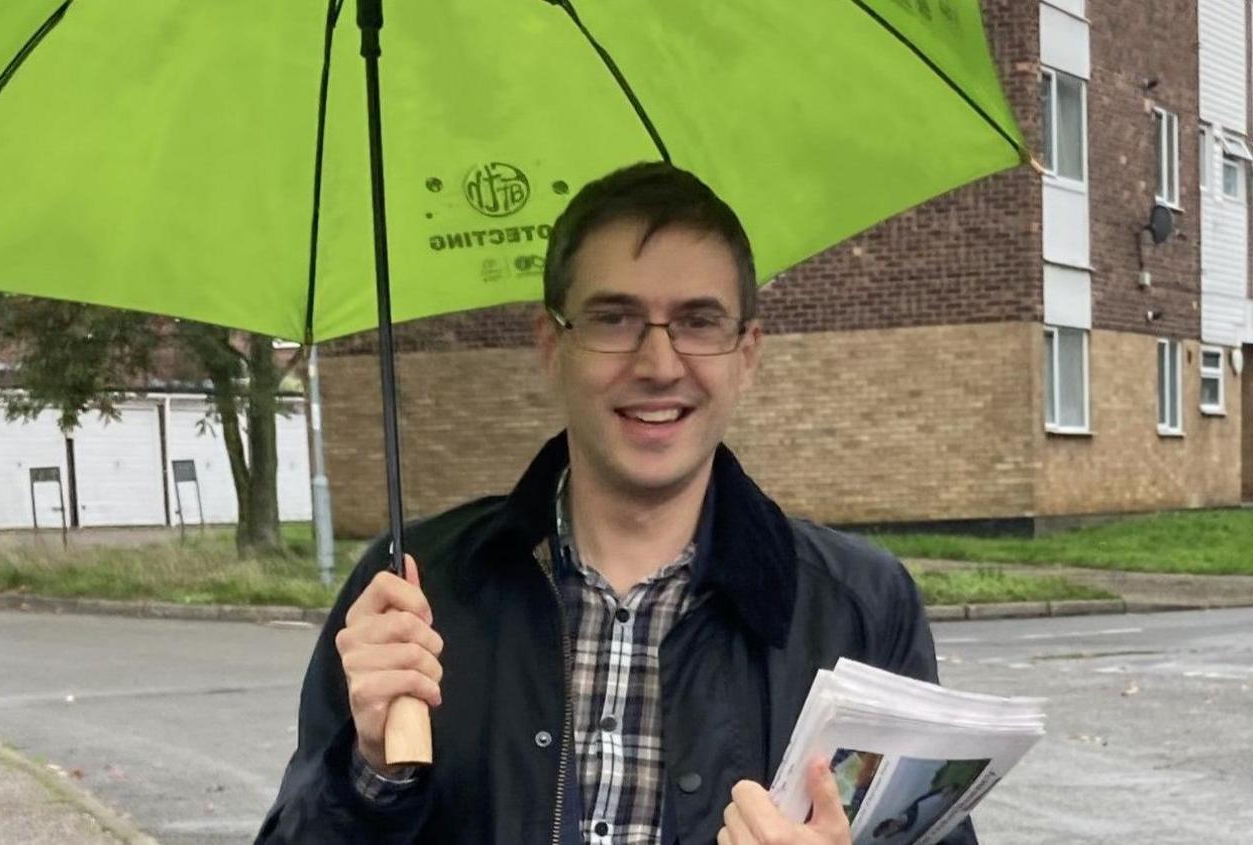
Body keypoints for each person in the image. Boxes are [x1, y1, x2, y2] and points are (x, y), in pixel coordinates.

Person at [255, 162, 977, 845]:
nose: (658, 364)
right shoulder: (414, 590)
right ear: (550, 344)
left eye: (698, 321)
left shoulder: (860, 609)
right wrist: (371, 776)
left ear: (747, 353)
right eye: (613, 319)